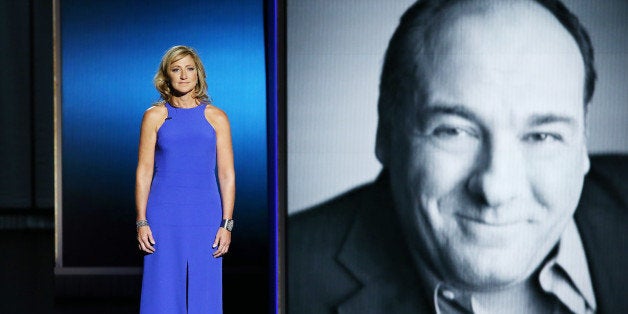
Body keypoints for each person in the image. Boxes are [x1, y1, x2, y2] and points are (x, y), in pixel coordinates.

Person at [288, 0, 627, 313]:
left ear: (583, 142)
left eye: (542, 136)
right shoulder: (283, 276)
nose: (496, 189)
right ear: (386, 133)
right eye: (454, 131)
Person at [135, 45, 235, 313]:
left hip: (205, 214)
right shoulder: (154, 116)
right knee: (162, 290)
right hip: (163, 215)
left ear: (198, 73)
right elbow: (144, 171)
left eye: (189, 69)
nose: (183, 75)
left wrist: (227, 224)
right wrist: (142, 221)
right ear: (166, 75)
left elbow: (226, 174)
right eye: (176, 69)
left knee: (205, 289)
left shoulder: (216, 117)